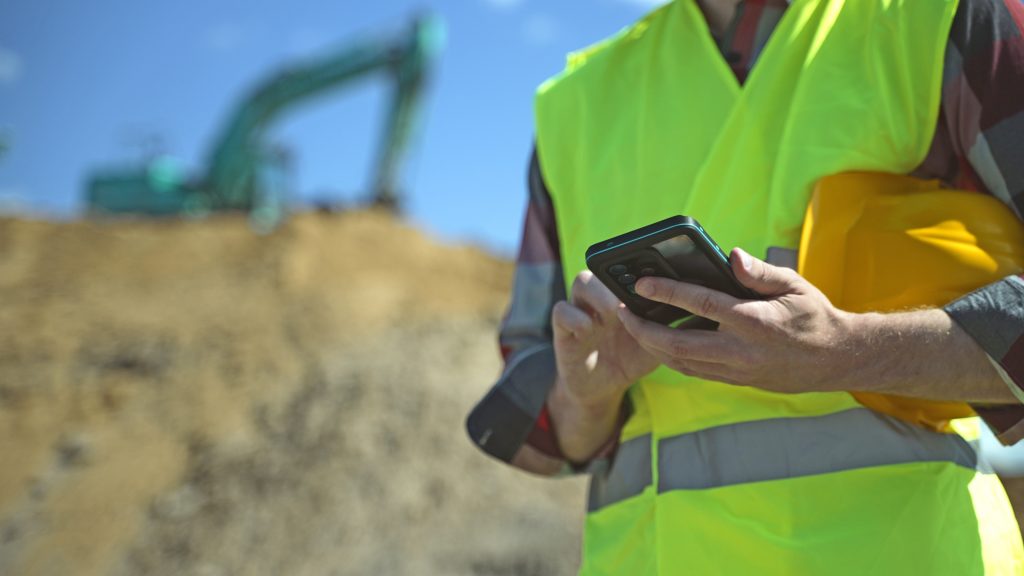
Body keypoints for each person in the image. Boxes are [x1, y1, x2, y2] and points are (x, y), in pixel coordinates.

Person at [467, 0, 1024, 573]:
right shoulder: (575, 102)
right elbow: (533, 423)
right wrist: (585, 398)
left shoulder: (936, 21)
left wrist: (850, 353)